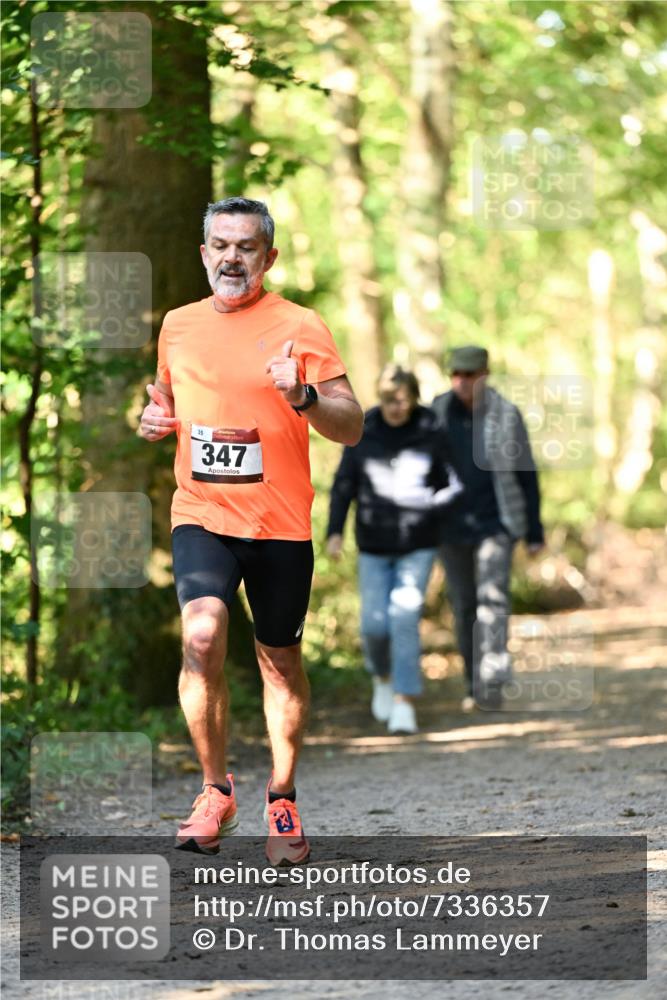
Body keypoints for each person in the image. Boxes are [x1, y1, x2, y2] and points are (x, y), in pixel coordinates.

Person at [139, 197, 363, 862]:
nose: (231, 257)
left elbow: (350, 425)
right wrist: (150, 422)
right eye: (220, 245)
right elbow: (164, 405)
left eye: (245, 247)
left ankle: (283, 797)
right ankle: (214, 791)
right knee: (202, 634)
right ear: (203, 252)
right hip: (202, 514)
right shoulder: (177, 326)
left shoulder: (300, 325)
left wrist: (304, 396)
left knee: (279, 661)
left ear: (269, 257)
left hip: (280, 524)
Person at [326, 365, 462, 734]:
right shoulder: (363, 428)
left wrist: (432, 506)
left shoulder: (431, 428)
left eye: (402, 400)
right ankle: (382, 678)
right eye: (388, 399)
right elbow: (344, 483)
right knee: (373, 624)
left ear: (414, 398)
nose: (395, 407)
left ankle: (404, 701)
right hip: (373, 542)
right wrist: (334, 531)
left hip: (418, 544)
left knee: (404, 616)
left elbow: (452, 482)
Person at [431, 346, 545, 711]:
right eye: (457, 374)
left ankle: (494, 674)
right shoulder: (436, 412)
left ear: (485, 374)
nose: (462, 381)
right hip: (450, 527)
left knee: (492, 598)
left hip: (497, 521)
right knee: (463, 604)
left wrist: (535, 531)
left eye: (470, 374)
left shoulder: (507, 414)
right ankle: (472, 683)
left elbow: (527, 474)